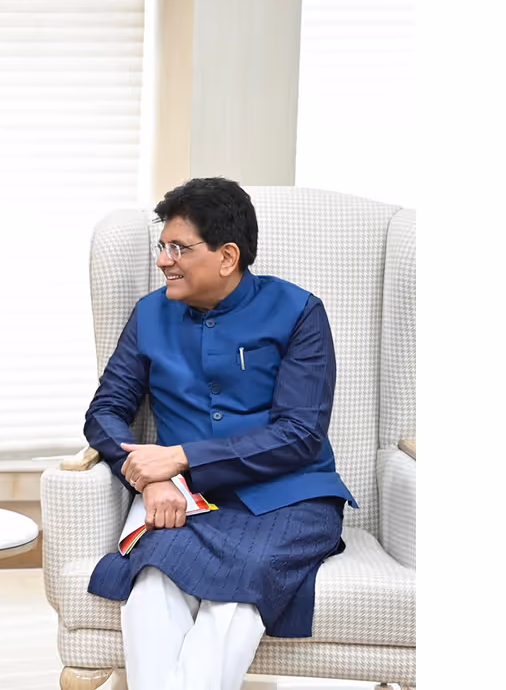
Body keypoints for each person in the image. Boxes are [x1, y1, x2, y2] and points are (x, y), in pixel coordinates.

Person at [83, 177, 355, 690]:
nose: (164, 260)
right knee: (152, 587)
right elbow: (104, 414)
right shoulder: (150, 313)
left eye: (179, 248)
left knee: (235, 598)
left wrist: (180, 457)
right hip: (188, 500)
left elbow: (300, 434)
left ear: (228, 256)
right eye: (162, 246)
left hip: (290, 501)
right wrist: (150, 480)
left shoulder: (299, 313)